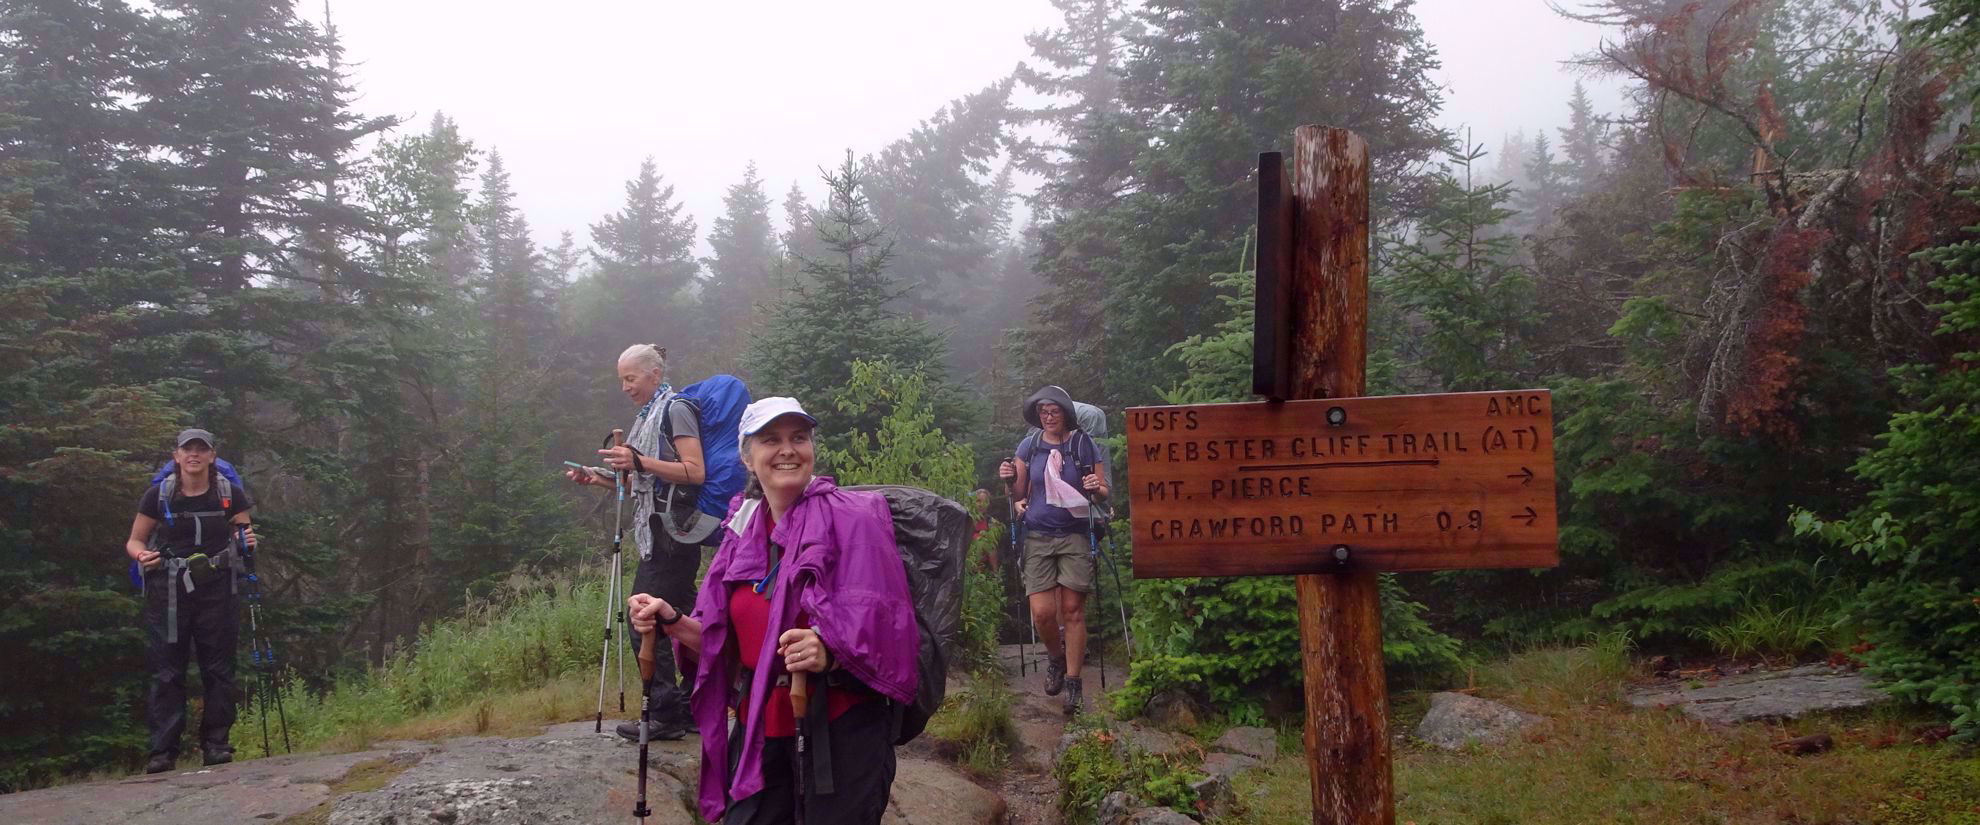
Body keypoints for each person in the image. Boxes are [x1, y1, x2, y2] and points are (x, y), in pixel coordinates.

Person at [629, 397, 917, 825]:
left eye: (798, 438)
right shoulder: (741, 530)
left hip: (841, 727)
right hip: (759, 726)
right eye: (771, 440)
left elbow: (890, 623)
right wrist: (672, 619)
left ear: (812, 449)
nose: (787, 449)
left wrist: (831, 651)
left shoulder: (854, 520)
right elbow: (721, 639)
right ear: (748, 457)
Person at [566, 344, 706, 742]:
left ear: (655, 375)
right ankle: (695, 706)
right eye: (621, 380)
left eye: (631, 378)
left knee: (642, 618)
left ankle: (665, 714)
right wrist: (602, 478)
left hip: (672, 534)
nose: (625, 387)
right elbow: (646, 481)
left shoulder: (676, 409)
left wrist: (639, 462)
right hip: (662, 532)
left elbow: (694, 472)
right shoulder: (648, 415)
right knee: (693, 620)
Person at [125, 428, 256, 773]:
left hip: (217, 588)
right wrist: (142, 557)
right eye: (188, 449)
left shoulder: (230, 494)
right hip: (167, 590)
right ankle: (162, 752)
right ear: (177, 456)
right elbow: (135, 541)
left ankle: (216, 745)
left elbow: (244, 535)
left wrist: (248, 543)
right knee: (167, 671)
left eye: (202, 449)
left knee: (218, 668)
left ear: (212, 456)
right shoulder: (158, 495)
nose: (194, 454)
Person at [998, 386, 1109, 715]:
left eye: (1054, 411)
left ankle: (1073, 683)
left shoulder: (1081, 444)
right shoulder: (1029, 445)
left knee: (1073, 610)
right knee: (1043, 613)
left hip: (1074, 535)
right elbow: (1017, 490)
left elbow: (1102, 491)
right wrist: (1007, 479)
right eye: (1043, 412)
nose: (1048, 416)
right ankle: (1056, 659)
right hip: (1038, 535)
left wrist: (1095, 488)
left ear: (1065, 413)